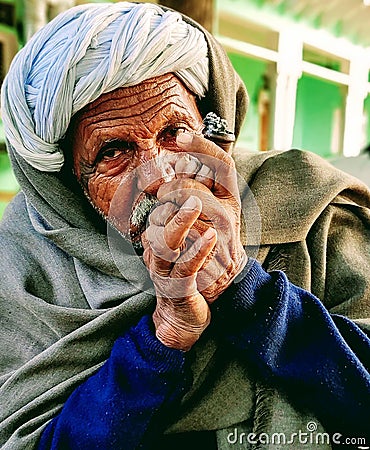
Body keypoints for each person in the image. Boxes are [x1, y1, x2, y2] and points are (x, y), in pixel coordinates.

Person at [0, 3, 369, 449]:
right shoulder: (27, 260)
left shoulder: (308, 206)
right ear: (69, 188)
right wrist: (164, 336)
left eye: (175, 132)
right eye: (113, 152)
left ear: (212, 127)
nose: (159, 177)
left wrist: (244, 291)